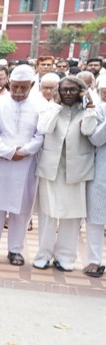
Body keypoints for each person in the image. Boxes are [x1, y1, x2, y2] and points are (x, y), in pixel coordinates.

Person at [0, 65, 44, 266]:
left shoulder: (40, 105)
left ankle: (15, 250)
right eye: (15, 86)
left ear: (31, 85)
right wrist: (7, 152)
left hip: (27, 164)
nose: (19, 91)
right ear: (9, 83)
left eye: (24, 87)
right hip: (0, 162)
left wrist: (24, 151)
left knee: (21, 210)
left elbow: (40, 134)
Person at [33, 76, 98, 272]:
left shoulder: (89, 111)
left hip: (77, 170)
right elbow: (44, 128)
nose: (68, 94)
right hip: (51, 169)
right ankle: (43, 255)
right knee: (48, 215)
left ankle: (65, 258)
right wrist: (56, 105)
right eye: (64, 90)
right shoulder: (49, 108)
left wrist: (89, 106)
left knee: (71, 217)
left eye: (73, 90)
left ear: (81, 91)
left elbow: (89, 130)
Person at [84, 102, 106, 278]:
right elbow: (96, 139)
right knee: (96, 217)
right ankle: (94, 260)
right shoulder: (101, 109)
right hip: (102, 171)